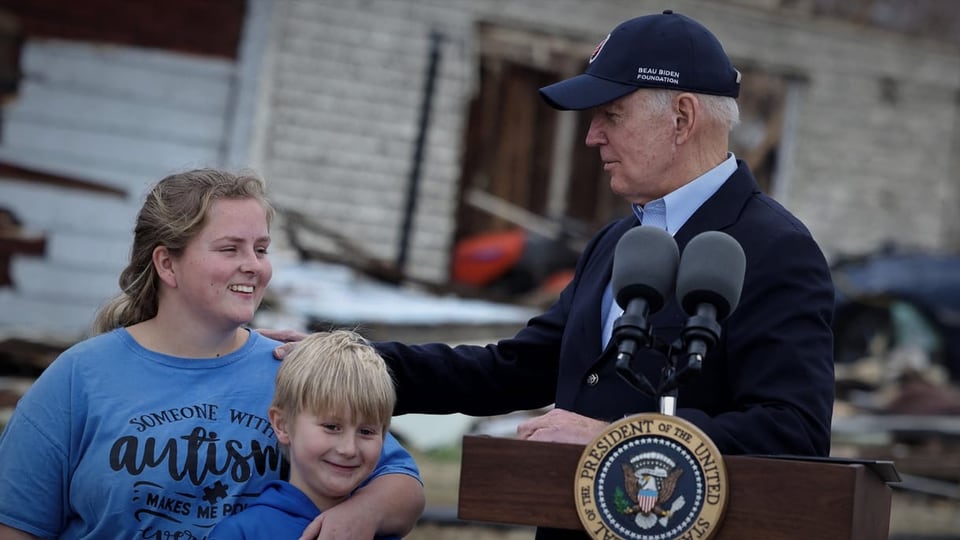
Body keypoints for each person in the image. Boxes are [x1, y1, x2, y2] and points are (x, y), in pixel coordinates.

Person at [267, 10, 835, 539]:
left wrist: (620, 440)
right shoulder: (619, 241)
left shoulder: (775, 249)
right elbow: (518, 369)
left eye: (611, 115)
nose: (592, 137)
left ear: (682, 118)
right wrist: (354, 365)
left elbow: (793, 433)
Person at [0, 169, 424, 540]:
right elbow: (16, 524)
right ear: (167, 264)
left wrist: (361, 512)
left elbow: (403, 488)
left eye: (260, 249)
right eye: (230, 249)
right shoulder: (79, 376)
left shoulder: (290, 369)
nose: (254, 266)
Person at [210, 330, 405, 539]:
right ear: (282, 425)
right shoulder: (243, 533)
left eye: (366, 431)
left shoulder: (379, 532)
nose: (349, 449)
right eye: (332, 427)